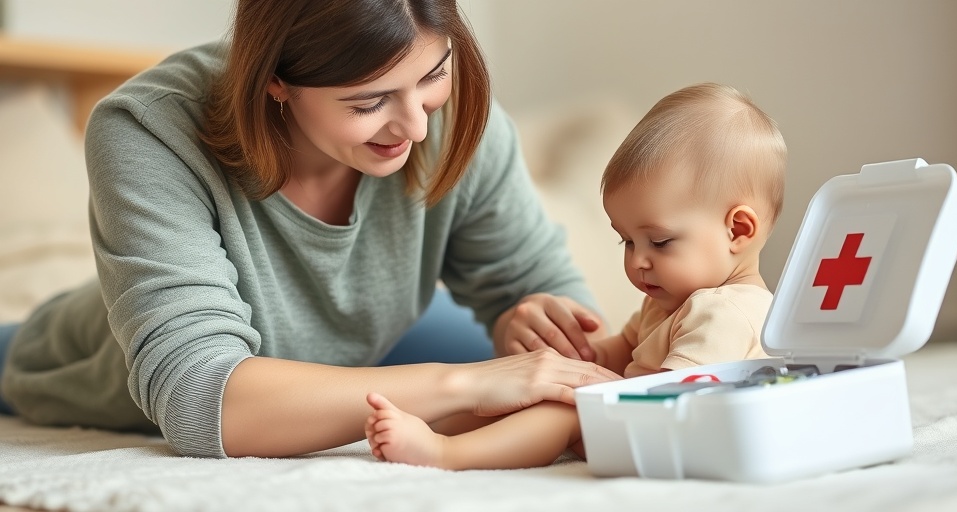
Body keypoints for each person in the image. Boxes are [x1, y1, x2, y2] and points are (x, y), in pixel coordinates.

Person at [0, 0, 623, 458]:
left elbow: (552, 312)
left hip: (369, 338)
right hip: (86, 360)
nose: (417, 128)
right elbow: (199, 398)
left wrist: (528, 315)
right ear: (275, 79)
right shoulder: (148, 128)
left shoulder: (457, 120)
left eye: (433, 76)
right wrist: (468, 382)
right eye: (368, 102)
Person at [363, 82, 788, 470]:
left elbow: (673, 398)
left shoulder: (727, 313)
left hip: (665, 436)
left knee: (563, 407)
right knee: (528, 384)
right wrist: (578, 359)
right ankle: (429, 422)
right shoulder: (672, 302)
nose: (638, 262)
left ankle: (444, 453)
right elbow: (622, 350)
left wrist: (586, 396)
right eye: (626, 242)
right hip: (639, 426)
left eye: (658, 242)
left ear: (738, 230)